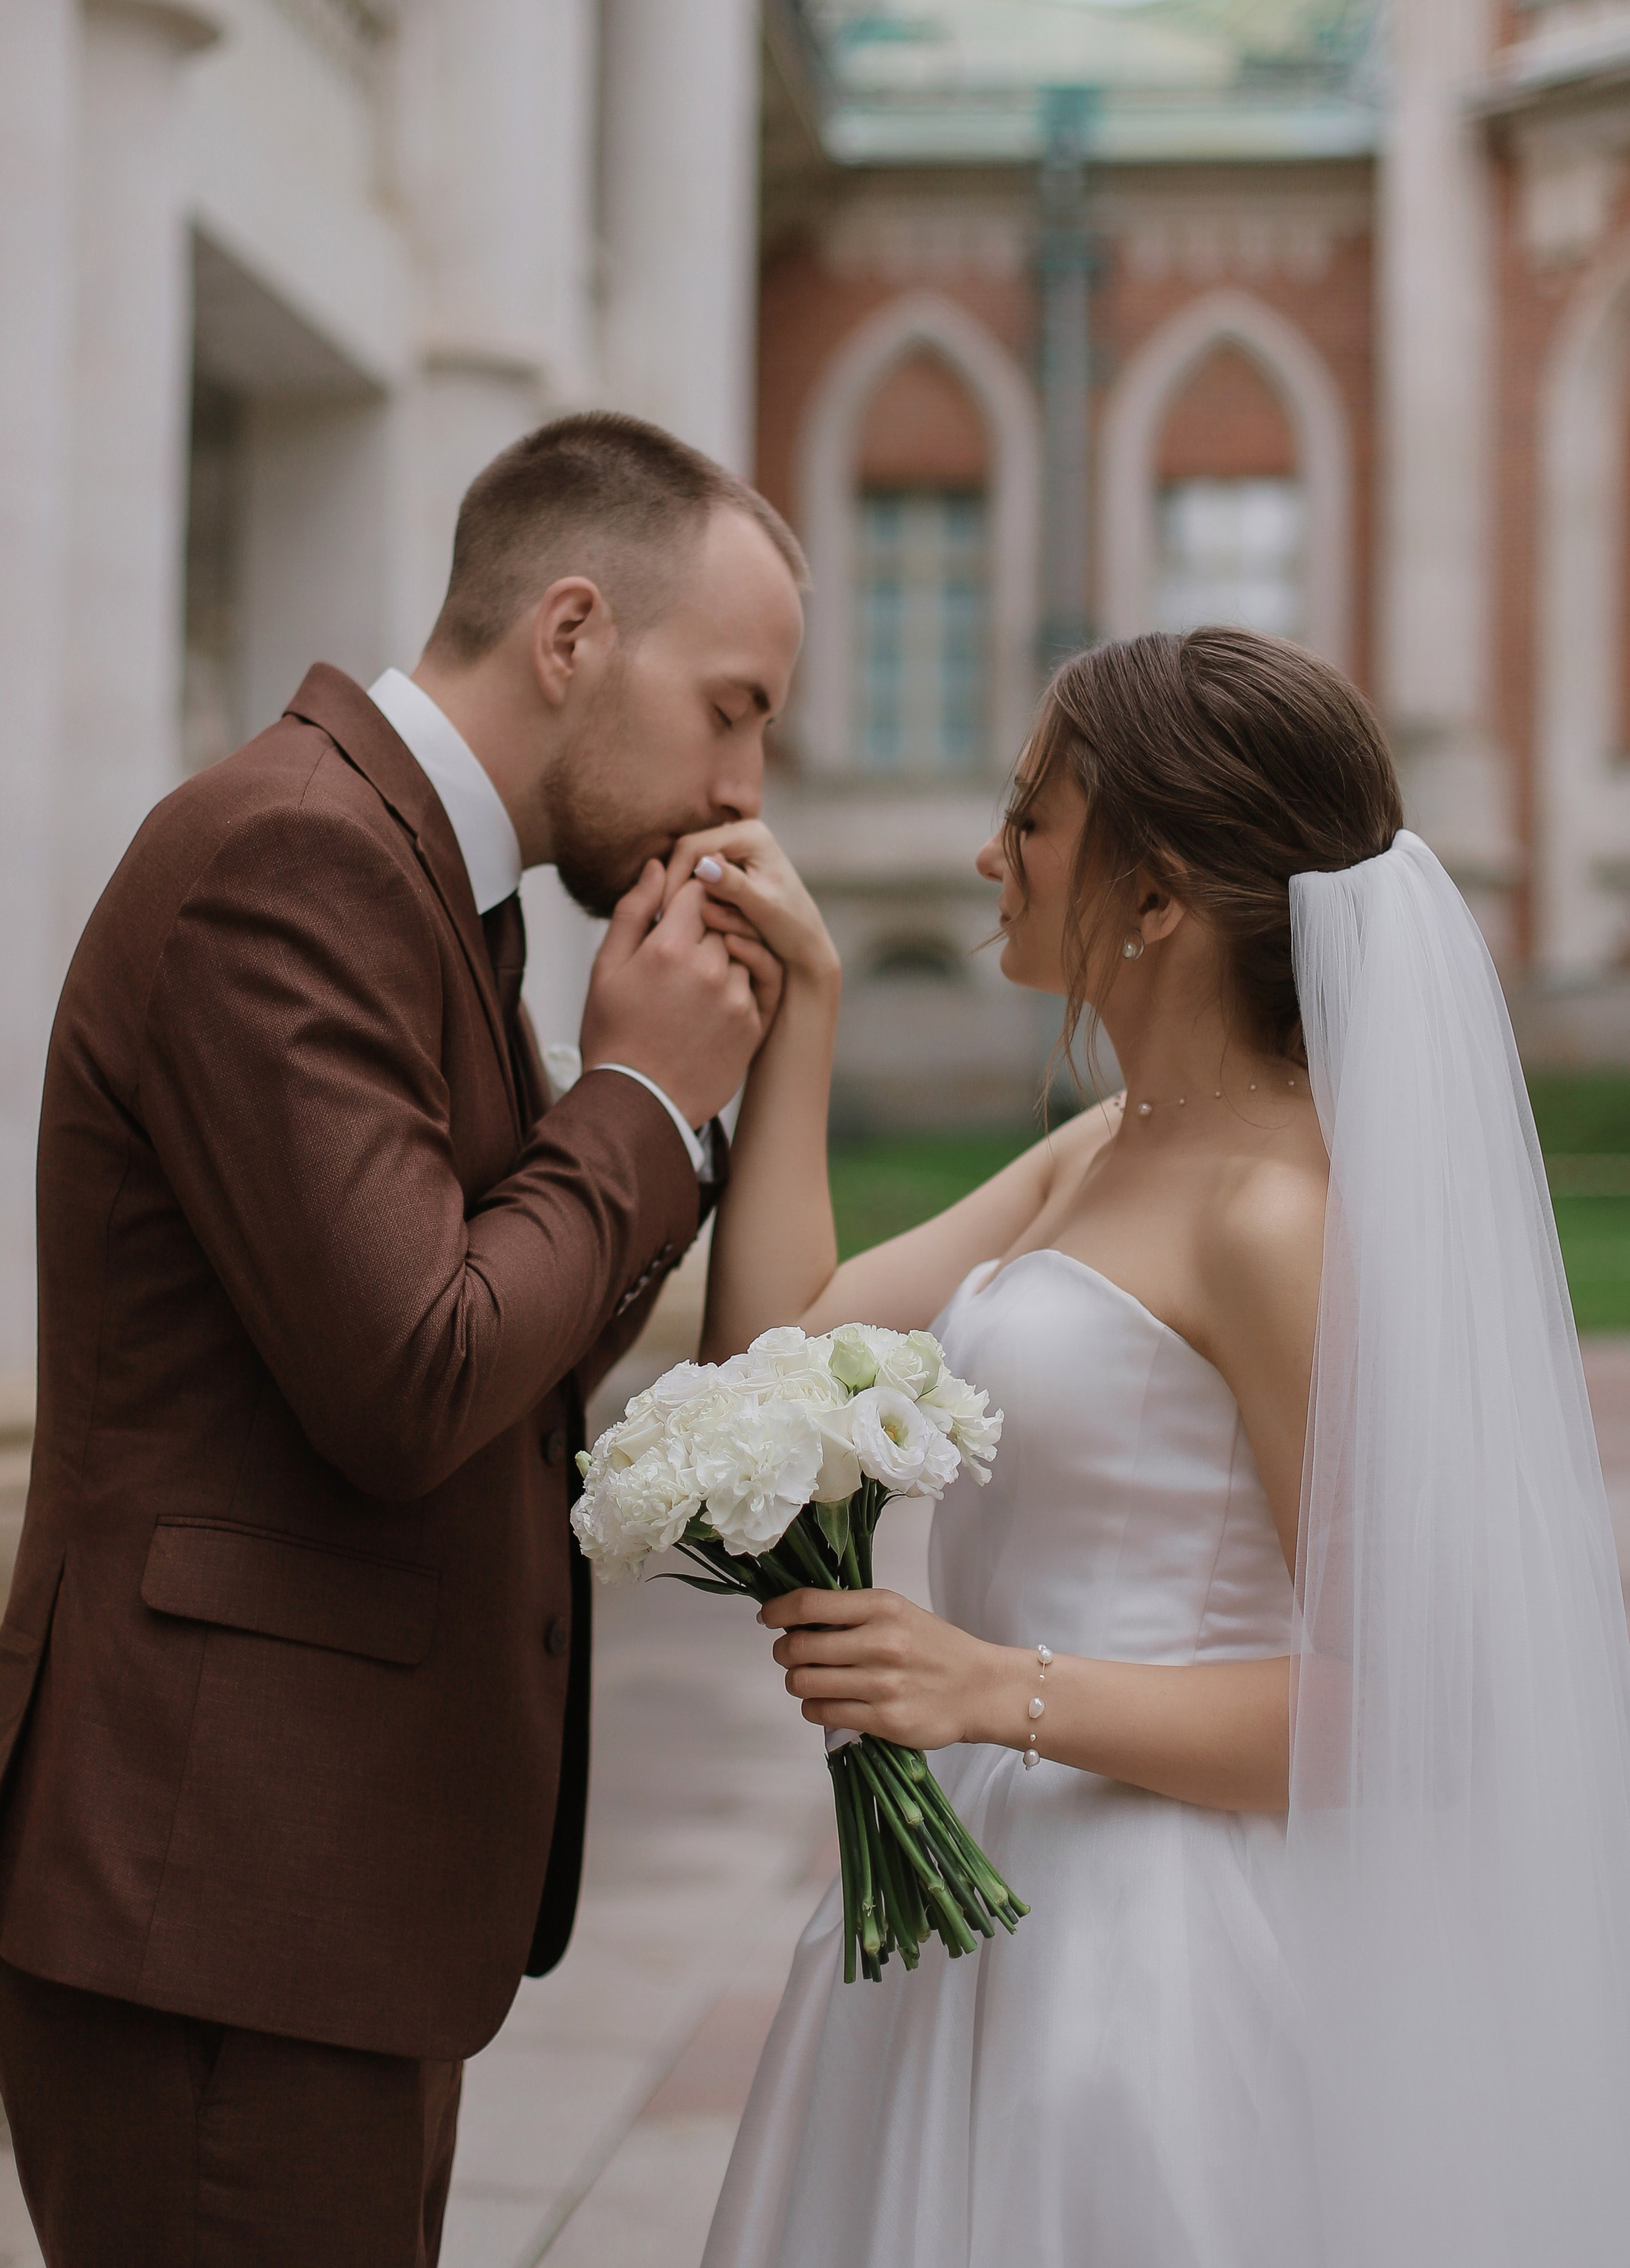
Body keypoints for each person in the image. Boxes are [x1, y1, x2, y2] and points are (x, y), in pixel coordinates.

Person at [0, 412, 803, 2268]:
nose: (745, 792)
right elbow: (416, 1373)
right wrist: (644, 1095)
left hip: (316, 1894)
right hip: (223, 1897)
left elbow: (514, 1347)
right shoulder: (294, 857)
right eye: (733, 708)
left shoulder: (429, 885)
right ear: (572, 635)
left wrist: (658, 1108)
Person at [672, 627, 1630, 2267]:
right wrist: (802, 1012)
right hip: (980, 1884)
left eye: (1030, 822)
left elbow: (1411, 1707)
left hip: (1156, 1955)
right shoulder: (1100, 1144)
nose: (990, 854)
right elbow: (777, 1349)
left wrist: (991, 1689)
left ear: (1160, 898)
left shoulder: (1277, 1221)